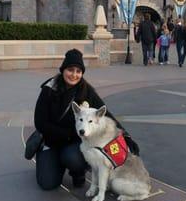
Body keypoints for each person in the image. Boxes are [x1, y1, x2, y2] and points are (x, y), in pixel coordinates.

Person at [34, 48, 139, 191]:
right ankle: (49, 161)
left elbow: (105, 113)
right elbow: (40, 122)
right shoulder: (49, 89)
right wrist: (67, 134)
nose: (74, 75)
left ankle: (77, 171)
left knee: (75, 159)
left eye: (78, 71)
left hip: (73, 145)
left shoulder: (86, 90)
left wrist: (125, 135)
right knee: (48, 184)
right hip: (51, 142)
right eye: (70, 70)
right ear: (63, 70)